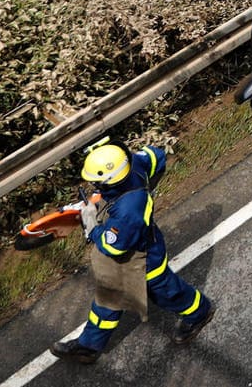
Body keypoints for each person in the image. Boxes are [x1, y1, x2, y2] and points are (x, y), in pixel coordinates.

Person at [50, 142, 215, 364]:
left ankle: (200, 312)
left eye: (97, 183)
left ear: (110, 181)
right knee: (109, 299)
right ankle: (88, 346)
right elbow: (157, 156)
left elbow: (113, 246)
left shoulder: (129, 210)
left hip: (145, 258)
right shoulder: (134, 163)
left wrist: (93, 229)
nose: (93, 186)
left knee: (166, 292)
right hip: (136, 246)